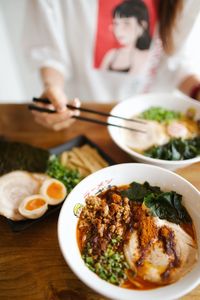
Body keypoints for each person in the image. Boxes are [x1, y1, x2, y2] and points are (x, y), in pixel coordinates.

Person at [23, 0, 200, 131]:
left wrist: (196, 90)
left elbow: (174, 61)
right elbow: (50, 53)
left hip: (152, 120)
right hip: (83, 115)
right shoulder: (111, 56)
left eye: (126, 24)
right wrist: (53, 89)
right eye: (116, 24)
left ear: (142, 26)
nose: (118, 30)